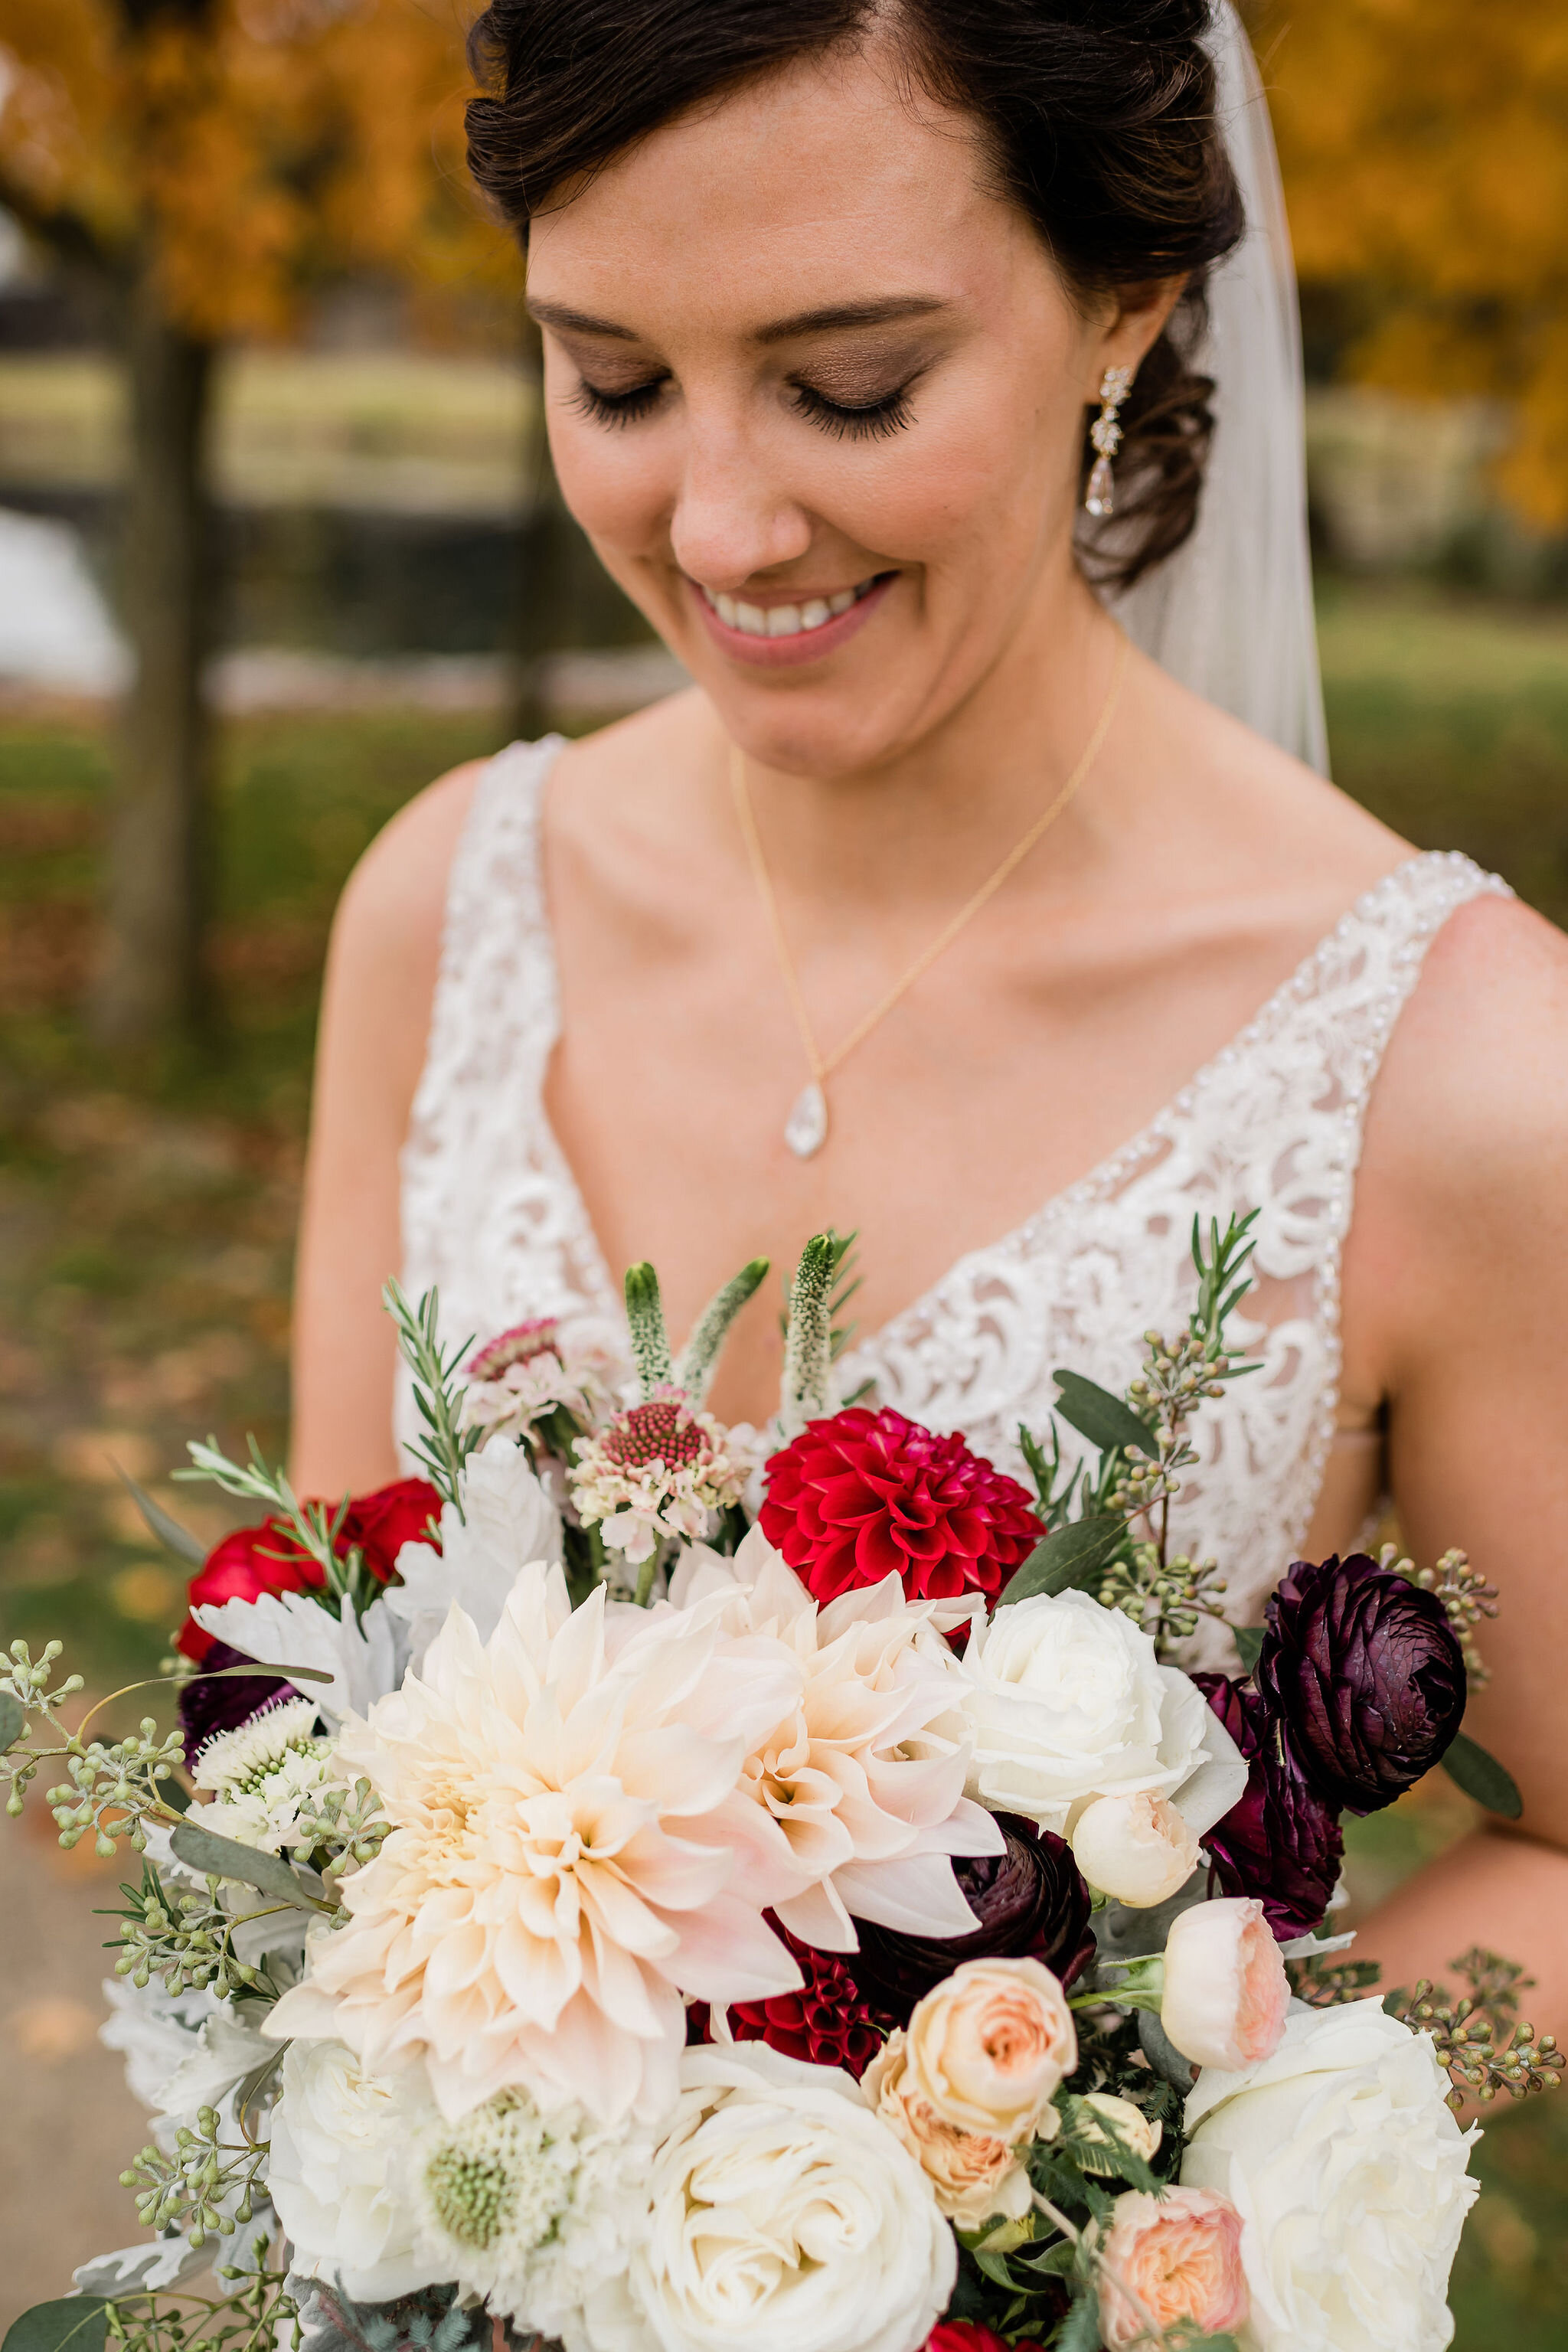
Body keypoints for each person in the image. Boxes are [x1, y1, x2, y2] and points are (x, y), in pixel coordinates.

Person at [290, 0, 1568, 2039]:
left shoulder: (1465, 1069)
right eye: (612, 378)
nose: (717, 529)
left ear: (1129, 305)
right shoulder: (448, 906)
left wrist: (1149, 2184)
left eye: (851, 387)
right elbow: (318, 1689)